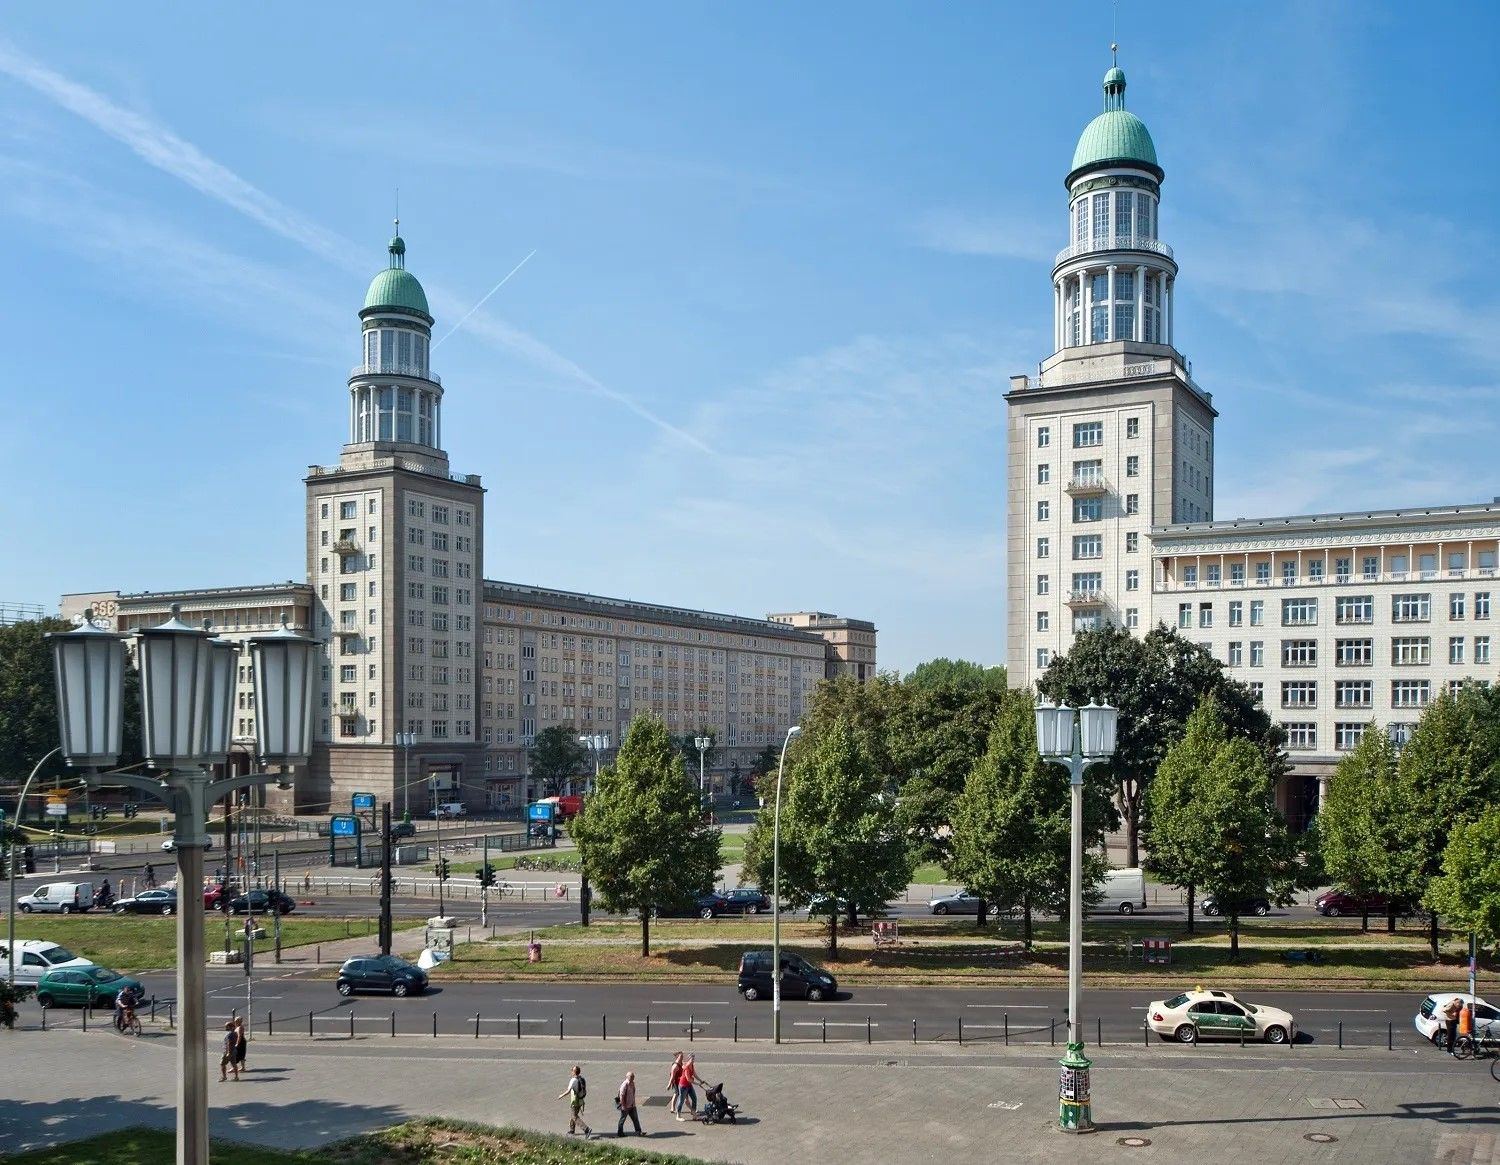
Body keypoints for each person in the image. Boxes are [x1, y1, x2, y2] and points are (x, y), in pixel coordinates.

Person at [557, 1064, 590, 1137]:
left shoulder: (573, 1080)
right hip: (581, 1100)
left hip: (575, 1101)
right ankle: (572, 1130)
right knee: (573, 1114)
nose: (571, 1071)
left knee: (574, 1116)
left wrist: (561, 1096)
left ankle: (586, 1129)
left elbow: (568, 1091)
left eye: (572, 1070)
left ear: (574, 1072)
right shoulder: (582, 1079)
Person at [615, 1070, 642, 1137]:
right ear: (627, 1077)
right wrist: (623, 1106)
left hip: (632, 1105)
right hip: (626, 1106)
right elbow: (621, 1096)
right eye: (631, 1076)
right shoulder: (625, 1084)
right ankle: (620, 1132)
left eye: (633, 1076)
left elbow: (633, 1092)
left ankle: (638, 1131)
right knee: (622, 1119)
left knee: (635, 1119)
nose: (633, 1078)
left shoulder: (632, 1083)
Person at [680, 1054, 704, 1120]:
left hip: (689, 1085)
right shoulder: (687, 1068)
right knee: (683, 1101)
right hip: (684, 1086)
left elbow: (694, 1074)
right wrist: (698, 1084)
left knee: (694, 1098)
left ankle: (693, 1113)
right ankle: (679, 1115)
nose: (693, 1060)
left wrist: (701, 1080)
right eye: (691, 1059)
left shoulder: (692, 1065)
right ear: (688, 1059)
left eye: (693, 1059)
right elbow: (688, 1079)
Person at [667, 1052, 685, 1120]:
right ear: (677, 1057)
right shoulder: (675, 1065)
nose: (682, 1057)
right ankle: (672, 1107)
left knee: (679, 1094)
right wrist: (669, 1084)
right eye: (681, 1056)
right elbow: (672, 1076)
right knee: (676, 1093)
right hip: (676, 1081)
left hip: (680, 1081)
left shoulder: (680, 1062)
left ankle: (673, 1107)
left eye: (682, 1056)